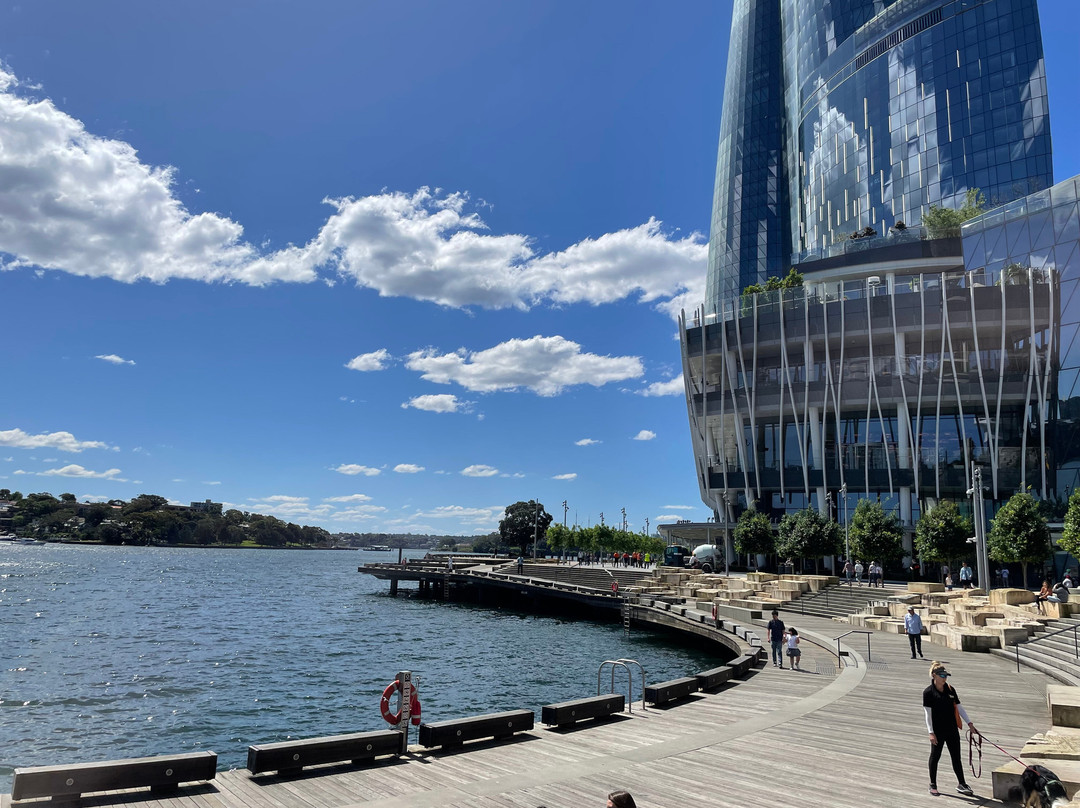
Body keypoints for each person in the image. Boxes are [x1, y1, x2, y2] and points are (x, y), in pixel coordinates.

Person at [923, 662, 977, 797]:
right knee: (935, 757)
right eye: (942, 675)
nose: (944, 678)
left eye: (946, 675)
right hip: (937, 731)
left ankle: (962, 783)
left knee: (956, 757)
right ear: (934, 675)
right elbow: (927, 714)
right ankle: (933, 784)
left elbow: (959, 707)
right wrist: (931, 732)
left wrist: (969, 723)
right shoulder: (928, 692)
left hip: (952, 729)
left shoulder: (950, 690)